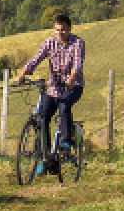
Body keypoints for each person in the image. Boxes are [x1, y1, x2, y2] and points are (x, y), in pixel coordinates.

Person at [16, 13, 85, 158]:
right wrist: (23, 73)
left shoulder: (78, 43)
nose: (60, 33)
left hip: (73, 86)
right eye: (57, 30)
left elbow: (77, 65)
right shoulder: (49, 43)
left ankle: (66, 141)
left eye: (63, 30)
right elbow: (36, 58)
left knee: (64, 105)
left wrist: (71, 79)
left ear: (70, 29)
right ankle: (44, 154)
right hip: (54, 88)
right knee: (43, 117)